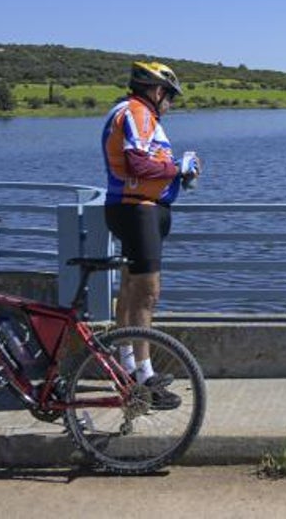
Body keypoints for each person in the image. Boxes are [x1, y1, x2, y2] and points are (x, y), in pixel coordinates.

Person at [100, 61, 201, 408]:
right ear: (157, 91)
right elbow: (137, 165)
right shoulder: (136, 112)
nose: (170, 104)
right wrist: (179, 168)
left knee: (129, 288)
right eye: (169, 97)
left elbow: (147, 164)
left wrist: (176, 176)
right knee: (147, 293)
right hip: (137, 210)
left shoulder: (139, 115)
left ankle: (125, 364)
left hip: (135, 208)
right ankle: (144, 377)